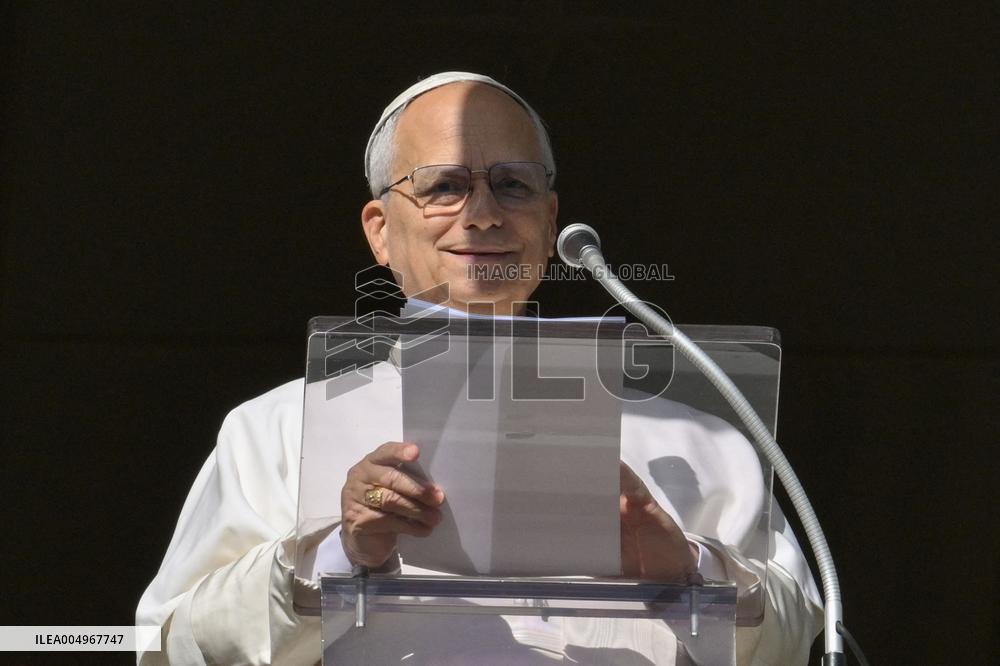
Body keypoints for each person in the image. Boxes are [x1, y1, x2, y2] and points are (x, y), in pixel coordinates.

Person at [137, 72, 823, 665]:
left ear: (551, 223)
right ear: (380, 229)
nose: (484, 215)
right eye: (443, 186)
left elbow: (803, 642)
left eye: (512, 186)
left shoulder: (703, 443)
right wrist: (337, 558)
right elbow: (173, 645)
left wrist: (689, 572)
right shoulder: (276, 430)